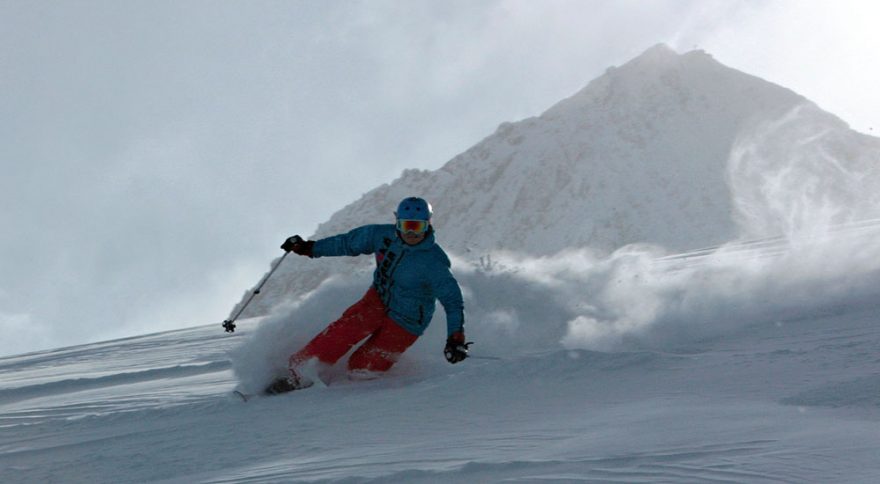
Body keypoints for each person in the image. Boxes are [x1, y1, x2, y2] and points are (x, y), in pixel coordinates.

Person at [266, 196, 468, 394]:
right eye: (406, 226)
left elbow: (452, 301)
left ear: (428, 225)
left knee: (362, 367)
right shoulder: (381, 236)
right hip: (377, 299)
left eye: (418, 227)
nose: (411, 233)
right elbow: (347, 243)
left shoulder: (434, 262)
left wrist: (455, 338)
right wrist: (310, 248)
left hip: (408, 320)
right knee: (343, 332)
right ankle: (297, 374)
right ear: (397, 222)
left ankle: (354, 396)